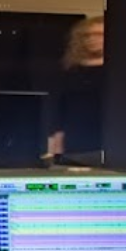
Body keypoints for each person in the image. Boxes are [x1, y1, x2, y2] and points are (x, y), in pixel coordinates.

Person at [46, 14, 105, 165]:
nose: (92, 39)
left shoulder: (122, 71)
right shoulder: (69, 71)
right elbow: (58, 111)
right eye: (87, 35)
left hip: (114, 144)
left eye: (98, 34)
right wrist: (55, 148)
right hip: (76, 148)